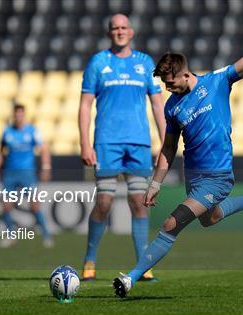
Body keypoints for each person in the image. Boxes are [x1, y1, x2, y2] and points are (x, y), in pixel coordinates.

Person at [112, 13, 243, 297]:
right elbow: (168, 148)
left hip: (218, 178)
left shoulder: (216, 82)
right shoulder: (172, 107)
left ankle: (129, 279)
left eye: (171, 83)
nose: (169, 88)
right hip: (195, 178)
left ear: (185, 73)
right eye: (165, 85)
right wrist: (155, 184)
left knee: (171, 224)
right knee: (211, 218)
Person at [78, 14, 166, 281]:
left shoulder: (144, 63)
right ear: (109, 33)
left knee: (140, 202)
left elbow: (158, 104)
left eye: (123, 27)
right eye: (114, 28)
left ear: (132, 31)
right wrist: (85, 142)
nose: (119, 31)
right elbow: (84, 105)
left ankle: (142, 264)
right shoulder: (98, 62)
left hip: (139, 141)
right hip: (107, 141)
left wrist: (167, 142)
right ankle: (90, 258)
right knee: (104, 202)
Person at [0, 103, 53, 248]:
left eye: (21, 114)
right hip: (10, 173)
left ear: (24, 115)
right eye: (16, 114)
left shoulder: (32, 131)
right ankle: (10, 234)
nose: (18, 117)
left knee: (34, 205)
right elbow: (0, 151)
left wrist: (46, 167)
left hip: (27, 173)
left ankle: (46, 235)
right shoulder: (7, 132)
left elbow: (44, 149)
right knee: (6, 205)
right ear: (13, 115)